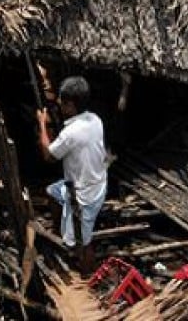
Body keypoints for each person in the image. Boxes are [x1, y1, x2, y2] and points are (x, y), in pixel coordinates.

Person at [36, 71, 107, 277]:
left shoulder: (71, 133)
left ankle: (88, 275)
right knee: (51, 193)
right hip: (93, 182)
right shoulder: (95, 120)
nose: (58, 102)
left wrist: (42, 123)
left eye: (62, 101)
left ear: (71, 105)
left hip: (84, 194)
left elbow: (48, 156)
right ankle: (62, 232)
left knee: (84, 243)